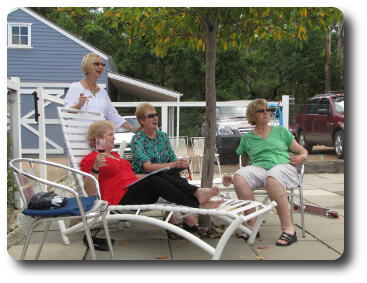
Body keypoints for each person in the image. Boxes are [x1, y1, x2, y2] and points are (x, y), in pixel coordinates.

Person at [80, 120, 223, 212]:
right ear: (98, 139)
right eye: (110, 135)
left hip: (133, 188)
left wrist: (157, 174)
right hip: (119, 197)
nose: (114, 137)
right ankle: (195, 204)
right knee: (153, 181)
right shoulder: (91, 159)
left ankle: (197, 192)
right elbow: (89, 190)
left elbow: (131, 176)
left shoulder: (116, 156)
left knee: (167, 173)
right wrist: (96, 167)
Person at [222, 99, 307, 247]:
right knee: (240, 177)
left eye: (268, 110)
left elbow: (301, 150)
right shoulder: (247, 138)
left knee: (272, 177)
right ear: (252, 115)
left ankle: (289, 229)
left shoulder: (281, 131)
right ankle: (251, 225)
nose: (266, 113)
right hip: (260, 169)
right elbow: (244, 160)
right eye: (261, 110)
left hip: (283, 167)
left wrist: (303, 157)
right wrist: (236, 174)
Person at [130, 103, 200, 231]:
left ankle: (174, 217)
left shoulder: (162, 136)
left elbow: (172, 159)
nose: (155, 118)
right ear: (142, 120)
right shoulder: (137, 140)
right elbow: (147, 167)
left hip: (166, 177)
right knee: (169, 175)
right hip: (145, 182)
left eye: (156, 115)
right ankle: (192, 210)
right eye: (151, 116)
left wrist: (180, 164)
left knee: (172, 174)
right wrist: (172, 165)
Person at [64, 52, 138, 133]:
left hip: (99, 140)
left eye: (103, 65)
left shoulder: (102, 92)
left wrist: (132, 128)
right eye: (97, 64)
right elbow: (65, 114)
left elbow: (113, 115)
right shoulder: (76, 87)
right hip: (80, 139)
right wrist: (78, 105)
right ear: (87, 66)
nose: (101, 67)